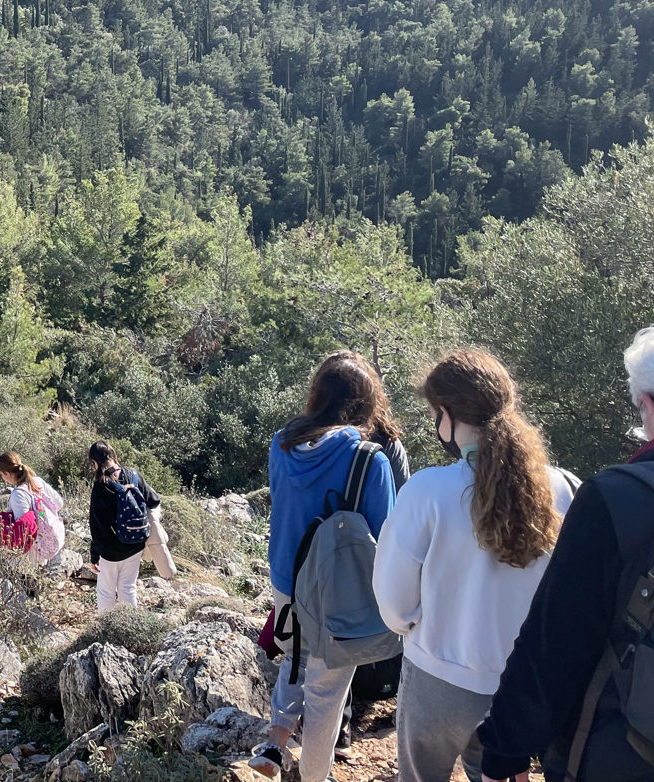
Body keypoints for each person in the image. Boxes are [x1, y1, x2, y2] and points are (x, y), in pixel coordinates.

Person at [372, 350, 577, 782]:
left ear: (445, 415)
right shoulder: (560, 487)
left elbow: (392, 604)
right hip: (518, 687)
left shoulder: (427, 491)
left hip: (437, 678)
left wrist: (419, 626)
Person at [477, 326, 654, 782]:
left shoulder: (617, 499)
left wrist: (504, 749)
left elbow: (555, 641)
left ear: (648, 403)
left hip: (622, 752)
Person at [251, 350, 397, 782]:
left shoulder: (282, 443)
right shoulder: (370, 460)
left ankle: (275, 745)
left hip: (285, 582)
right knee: (327, 694)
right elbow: (384, 541)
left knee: (293, 658)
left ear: (317, 395)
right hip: (336, 594)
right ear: (365, 402)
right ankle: (315, 775)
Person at [87, 440, 159, 614]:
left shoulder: (100, 485)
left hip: (111, 551)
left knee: (106, 592)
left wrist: (94, 555)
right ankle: (130, 626)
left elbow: (97, 526)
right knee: (128, 588)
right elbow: (154, 500)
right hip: (135, 544)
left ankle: (105, 632)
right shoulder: (133, 475)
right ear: (113, 456)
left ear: (94, 463)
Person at [0, 451, 66, 574]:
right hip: (52, 537)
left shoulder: (19, 494)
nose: (2, 477)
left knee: (25, 584)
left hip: (34, 550)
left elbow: (23, 529)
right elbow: (59, 503)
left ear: (7, 473)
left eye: (1, 474)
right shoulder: (37, 481)